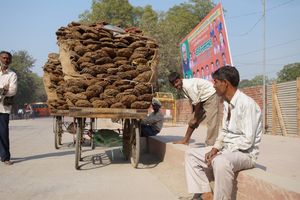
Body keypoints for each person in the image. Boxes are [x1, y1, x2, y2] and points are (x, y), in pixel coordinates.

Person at [185, 66, 262, 200]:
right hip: (228, 150)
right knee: (191, 154)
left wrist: (222, 152)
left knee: (220, 162)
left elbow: (248, 140)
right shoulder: (227, 103)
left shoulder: (247, 104)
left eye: (215, 82)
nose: (213, 86)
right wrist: (215, 148)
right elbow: (224, 130)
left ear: (225, 83)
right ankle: (206, 194)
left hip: (246, 154)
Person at [168, 72, 220, 146]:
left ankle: (210, 144)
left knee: (212, 122)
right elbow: (194, 102)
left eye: (176, 82)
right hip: (201, 98)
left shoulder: (188, 86)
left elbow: (197, 102)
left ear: (180, 79)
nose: (176, 85)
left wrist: (196, 117)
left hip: (211, 95)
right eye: (173, 84)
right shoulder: (182, 88)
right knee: (192, 121)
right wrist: (194, 115)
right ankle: (185, 140)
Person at [0, 51, 17, 165]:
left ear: (10, 61)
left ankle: (5, 157)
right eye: (3, 58)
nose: (5, 60)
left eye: (7, 58)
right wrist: (3, 89)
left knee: (3, 133)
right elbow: (7, 90)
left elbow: (13, 90)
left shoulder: (12, 75)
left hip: (3, 108)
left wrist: (4, 91)